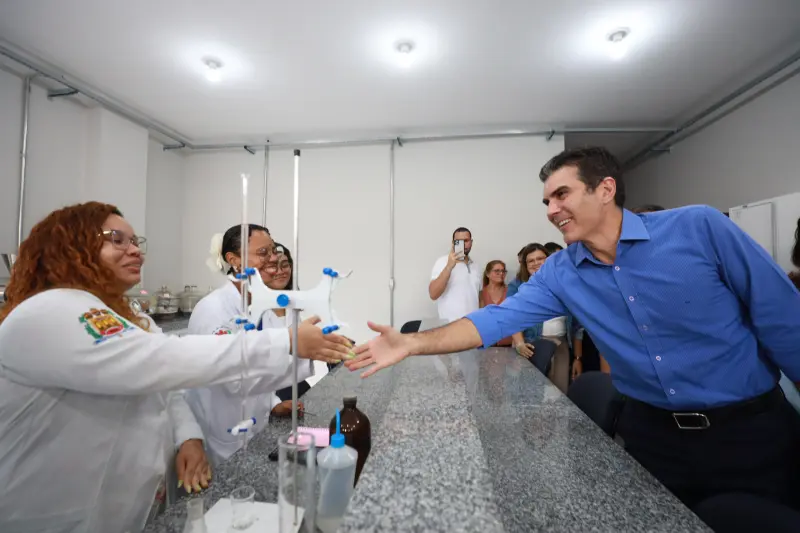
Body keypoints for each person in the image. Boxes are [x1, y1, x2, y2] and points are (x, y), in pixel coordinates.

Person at [347, 146, 800, 511]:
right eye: (547, 201)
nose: (551, 209)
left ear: (605, 188)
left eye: (561, 194)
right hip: (652, 438)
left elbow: (783, 320)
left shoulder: (698, 227)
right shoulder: (561, 272)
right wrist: (411, 342)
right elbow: (495, 319)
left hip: (751, 431)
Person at [0, 202, 352, 533]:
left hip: (126, 504)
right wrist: (287, 342)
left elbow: (165, 387)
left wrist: (187, 436)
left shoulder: (130, 316)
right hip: (52, 514)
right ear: (70, 247)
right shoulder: (50, 310)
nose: (136, 251)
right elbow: (160, 361)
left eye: (136, 242)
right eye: (117, 240)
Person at [185, 229, 316, 466]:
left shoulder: (257, 306)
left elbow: (259, 360)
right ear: (234, 260)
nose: (273, 259)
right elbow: (235, 380)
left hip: (254, 427)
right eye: (263, 252)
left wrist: (273, 403)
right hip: (222, 437)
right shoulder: (214, 310)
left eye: (273, 250)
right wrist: (303, 349)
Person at [508, 243, 574, 393]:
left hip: (561, 344)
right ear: (525, 265)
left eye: (540, 258)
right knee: (531, 391)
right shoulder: (517, 285)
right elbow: (511, 316)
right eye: (531, 261)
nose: (536, 263)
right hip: (530, 344)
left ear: (548, 259)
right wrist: (519, 343)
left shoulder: (562, 283)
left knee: (558, 392)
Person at [428, 227, 481, 322]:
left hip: (473, 324)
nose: (463, 244)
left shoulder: (475, 265)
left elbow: (479, 297)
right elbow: (433, 294)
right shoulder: (442, 262)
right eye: (459, 241)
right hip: (450, 325)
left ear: (471, 242)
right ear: (453, 243)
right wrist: (449, 266)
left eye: (466, 240)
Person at [479, 260, 511, 346]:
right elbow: (481, 318)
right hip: (488, 341)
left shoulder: (510, 291)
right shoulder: (481, 293)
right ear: (487, 274)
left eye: (503, 271)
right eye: (497, 271)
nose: (501, 273)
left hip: (508, 340)